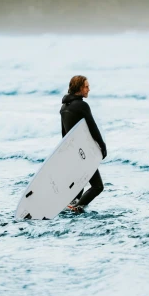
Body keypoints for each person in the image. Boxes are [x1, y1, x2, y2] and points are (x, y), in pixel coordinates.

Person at [60, 75, 107, 213]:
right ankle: (76, 208)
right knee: (98, 186)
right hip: (83, 153)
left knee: (80, 183)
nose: (89, 89)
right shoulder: (82, 105)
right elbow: (93, 128)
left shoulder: (64, 107)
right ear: (79, 88)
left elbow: (64, 134)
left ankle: (72, 205)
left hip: (73, 152)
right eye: (86, 86)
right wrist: (102, 146)